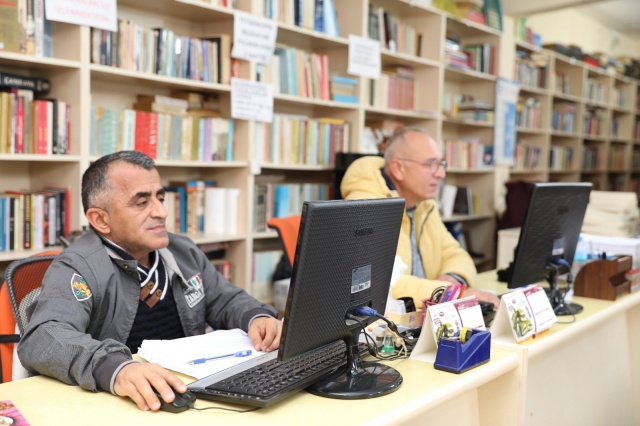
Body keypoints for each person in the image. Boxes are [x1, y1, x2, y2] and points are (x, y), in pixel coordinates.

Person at [18, 151, 282, 412]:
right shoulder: (77, 266)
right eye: (142, 202)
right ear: (101, 220)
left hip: (185, 393)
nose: (162, 211)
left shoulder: (183, 251)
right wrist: (117, 369)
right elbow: (44, 337)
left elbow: (226, 299)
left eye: (161, 198)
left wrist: (257, 318)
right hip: (119, 403)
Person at [340, 127, 500, 308]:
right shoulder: (364, 207)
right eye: (430, 164)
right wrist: (447, 294)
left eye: (441, 164)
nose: (441, 174)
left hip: (425, 315)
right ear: (398, 168)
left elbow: (456, 254)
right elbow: (379, 282)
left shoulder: (425, 204)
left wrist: (451, 279)